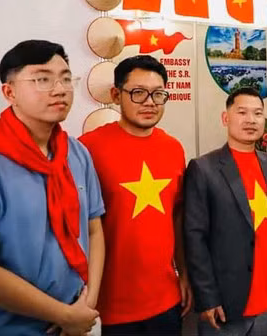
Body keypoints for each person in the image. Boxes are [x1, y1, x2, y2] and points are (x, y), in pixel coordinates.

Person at [0, 40, 104, 335]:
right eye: (42, 79)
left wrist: (85, 306)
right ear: (9, 92)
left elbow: (93, 229)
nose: (60, 88)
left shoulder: (76, 154)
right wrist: (65, 315)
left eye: (66, 78)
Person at [78, 55, 191, 335]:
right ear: (116, 95)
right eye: (138, 93)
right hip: (106, 303)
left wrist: (185, 273)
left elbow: (177, 216)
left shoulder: (173, 148)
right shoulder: (87, 148)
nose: (150, 102)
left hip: (165, 298)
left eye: (158, 94)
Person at [184, 88, 267, 336]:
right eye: (242, 112)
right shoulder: (203, 169)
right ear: (226, 118)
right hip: (227, 301)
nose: (251, 120)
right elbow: (194, 238)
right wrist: (207, 297)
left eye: (258, 113)